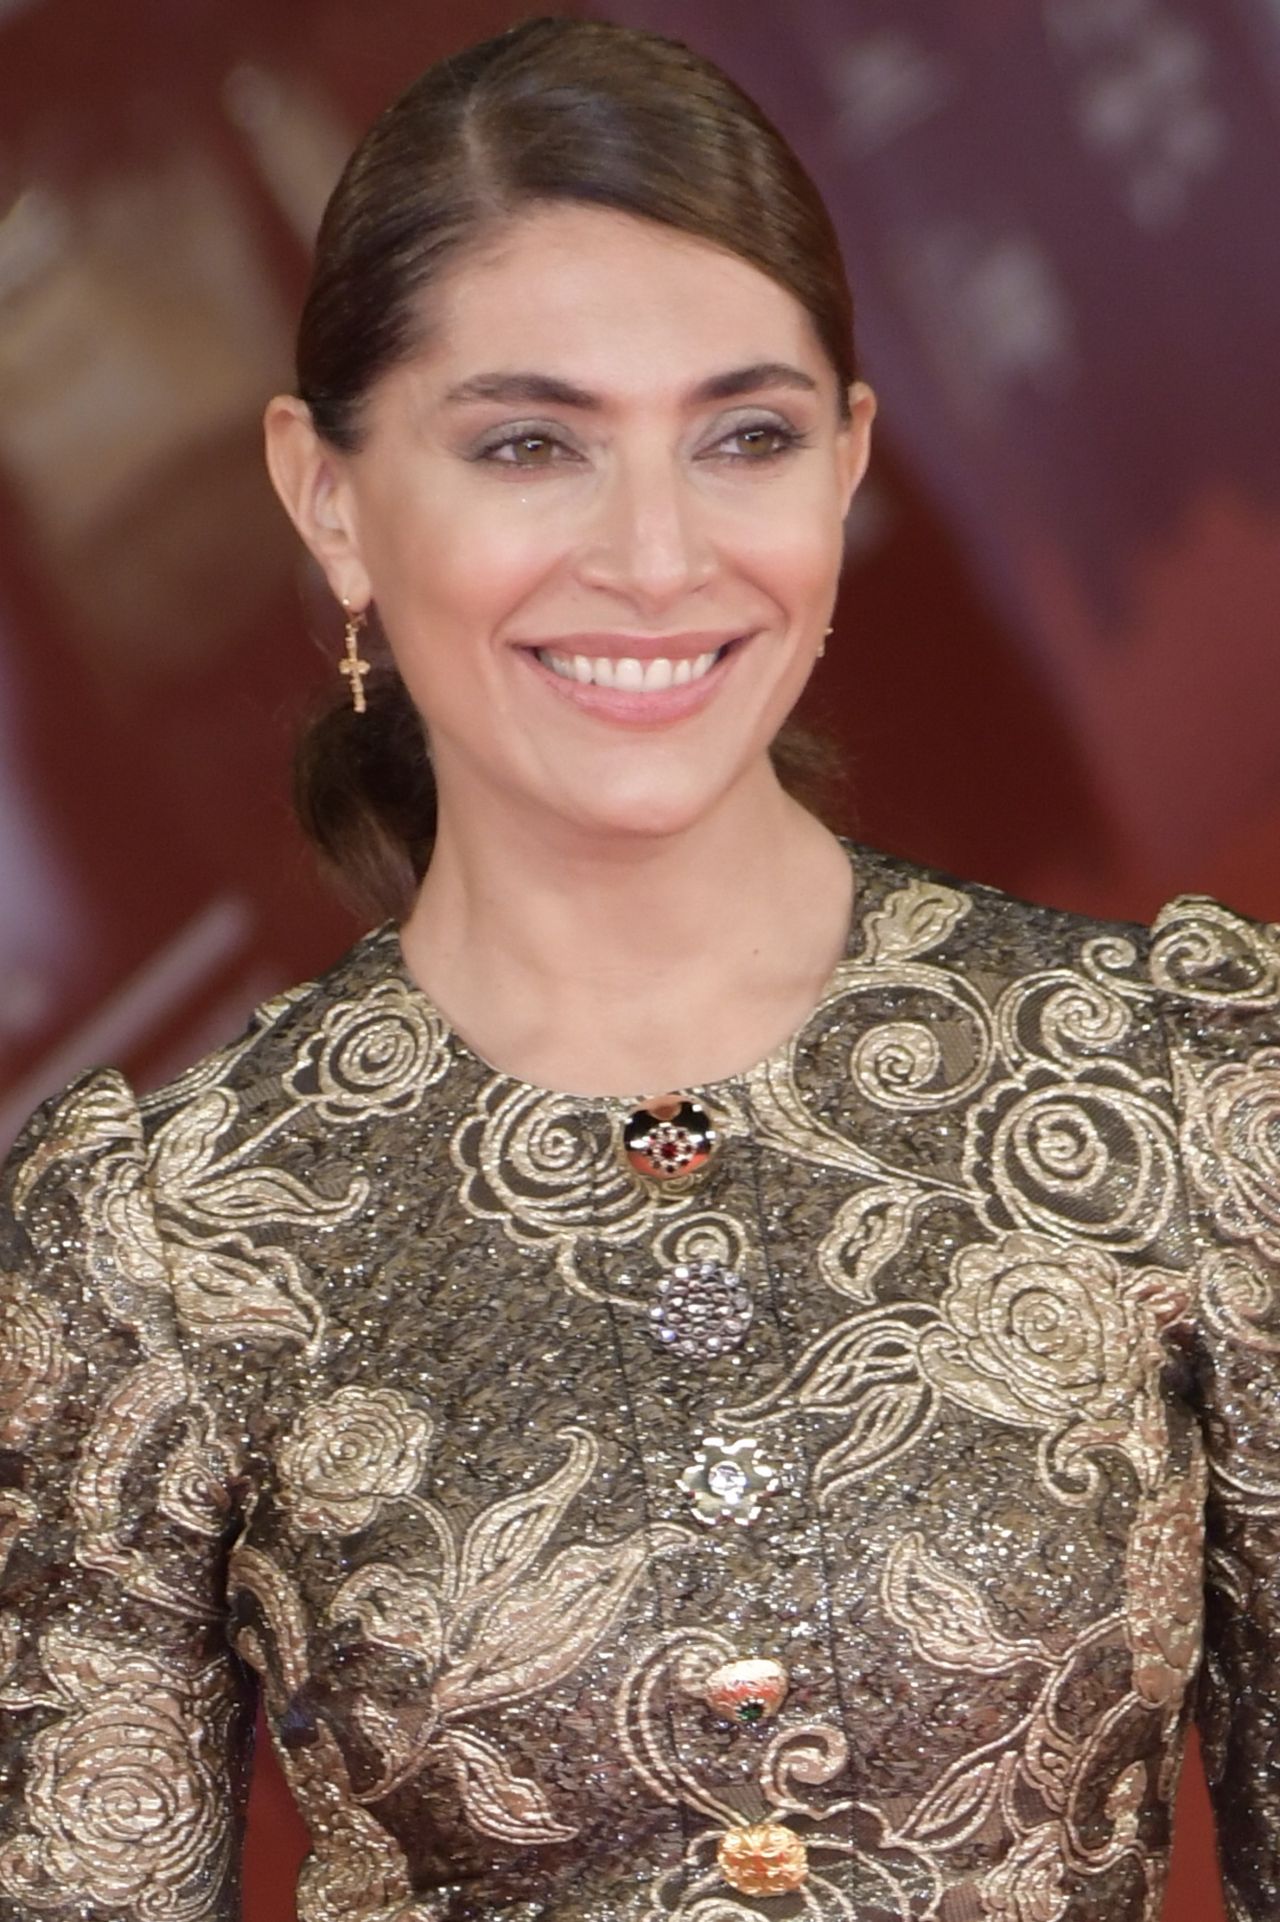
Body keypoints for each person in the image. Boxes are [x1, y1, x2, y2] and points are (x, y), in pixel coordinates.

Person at [0, 16, 1275, 1922]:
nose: (659, 555)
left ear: (846, 463)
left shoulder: (1181, 1079)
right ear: (329, 497)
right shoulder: (158, 1239)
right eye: (531, 445)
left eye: (745, 436)